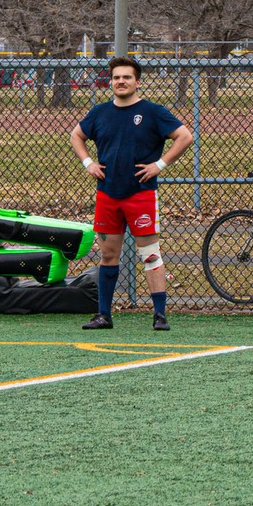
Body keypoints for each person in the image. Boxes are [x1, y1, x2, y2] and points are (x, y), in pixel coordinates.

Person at [69, 56, 193, 332]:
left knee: (149, 254)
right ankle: (104, 315)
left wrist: (159, 165)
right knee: (108, 256)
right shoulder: (100, 112)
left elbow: (185, 136)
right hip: (108, 195)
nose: (121, 82)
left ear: (138, 82)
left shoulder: (152, 112)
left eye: (126, 77)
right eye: (116, 77)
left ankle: (159, 316)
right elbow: (76, 136)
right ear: (110, 81)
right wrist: (88, 162)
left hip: (141, 195)